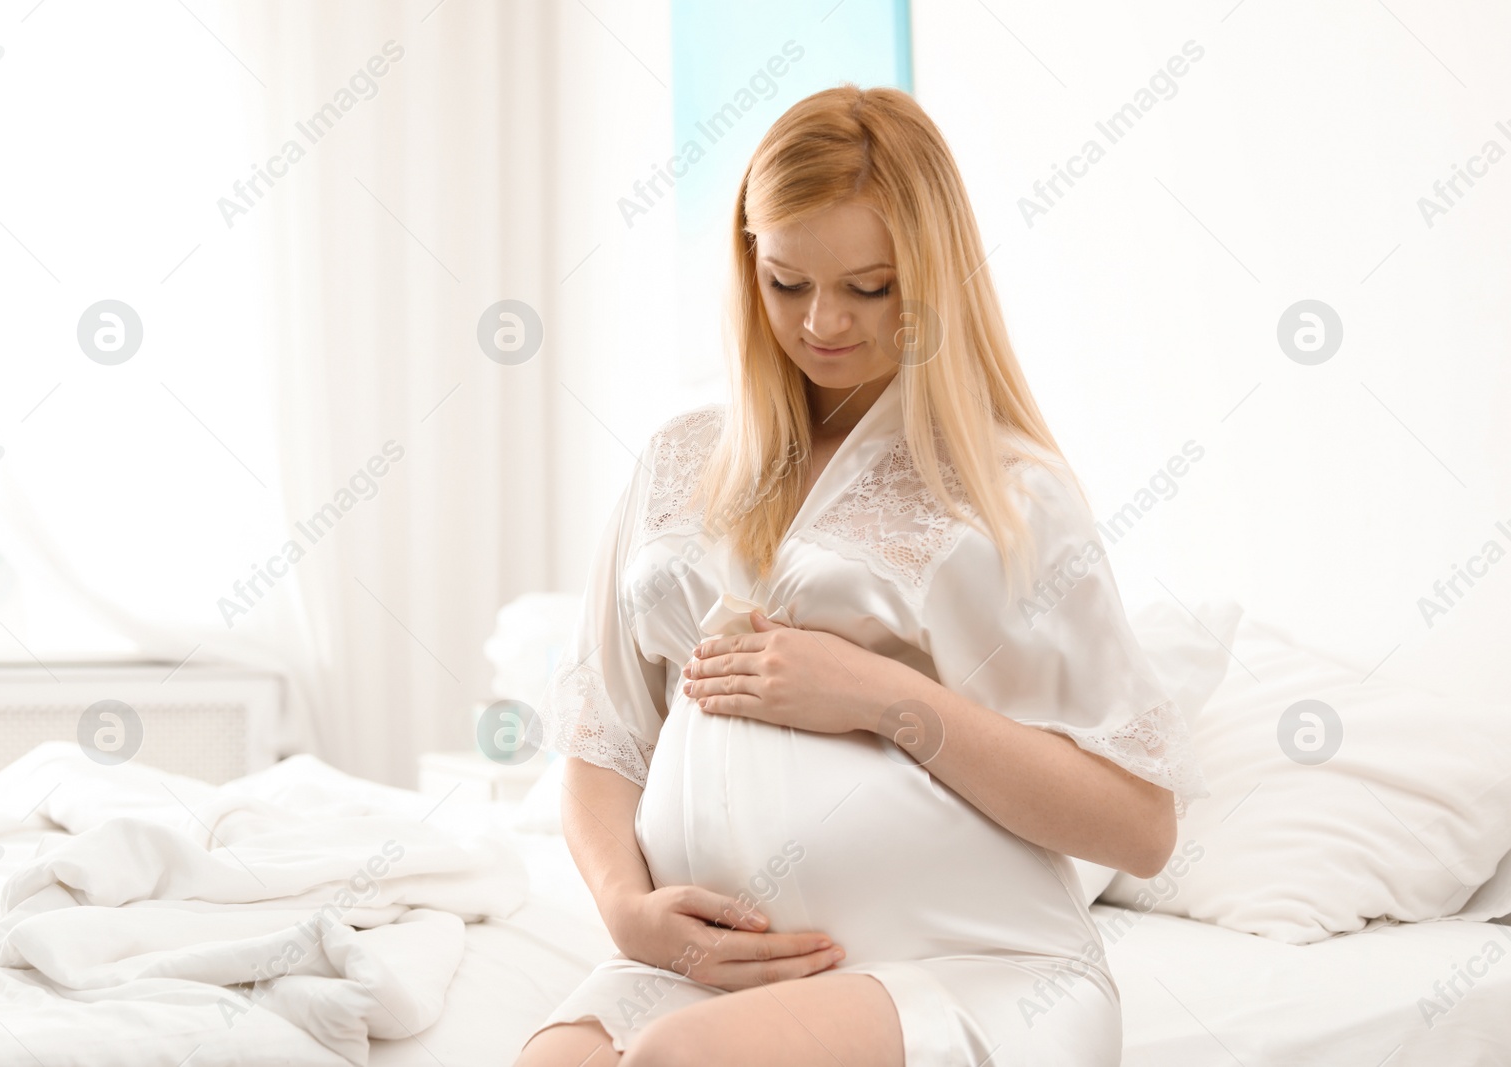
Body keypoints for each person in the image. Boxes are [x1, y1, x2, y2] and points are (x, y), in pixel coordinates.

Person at [514, 84, 1206, 1067]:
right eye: (786, 281)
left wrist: (884, 696)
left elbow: (1139, 826)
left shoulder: (1007, 493)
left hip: (972, 961)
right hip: (713, 971)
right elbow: (605, 737)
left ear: (931, 277)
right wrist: (628, 910)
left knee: (683, 1060)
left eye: (869, 286)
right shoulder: (679, 459)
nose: (821, 322)